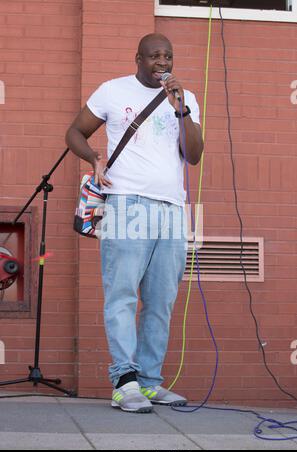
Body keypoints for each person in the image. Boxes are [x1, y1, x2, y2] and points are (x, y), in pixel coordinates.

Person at [66, 33, 204, 413]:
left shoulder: (185, 98)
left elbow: (193, 155)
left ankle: (148, 383)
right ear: (139, 58)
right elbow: (74, 131)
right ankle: (124, 381)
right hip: (126, 203)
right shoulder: (113, 91)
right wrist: (94, 158)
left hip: (172, 208)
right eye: (155, 55)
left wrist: (182, 110)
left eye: (168, 56)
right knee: (122, 294)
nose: (163, 61)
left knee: (161, 300)